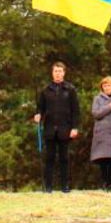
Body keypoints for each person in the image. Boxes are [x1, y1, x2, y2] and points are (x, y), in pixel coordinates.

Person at [34, 61, 80, 193]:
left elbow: (75, 110)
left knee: (64, 158)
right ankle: (48, 187)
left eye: (60, 71)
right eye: (55, 71)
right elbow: (40, 108)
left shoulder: (70, 89)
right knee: (49, 158)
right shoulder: (45, 90)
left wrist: (75, 127)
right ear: (52, 73)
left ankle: (65, 186)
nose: (58, 74)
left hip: (65, 128)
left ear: (64, 73)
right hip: (49, 128)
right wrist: (38, 115)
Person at [90, 76, 111, 192]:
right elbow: (96, 113)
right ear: (102, 87)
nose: (107, 87)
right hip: (102, 132)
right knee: (103, 159)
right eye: (105, 85)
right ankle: (104, 183)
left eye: (109, 85)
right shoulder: (97, 99)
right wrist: (109, 107)